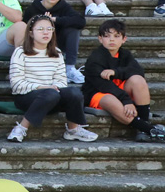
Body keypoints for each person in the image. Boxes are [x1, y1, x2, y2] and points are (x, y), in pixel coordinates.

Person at [83, 19, 165, 144]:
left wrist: (115, 72)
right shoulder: (95, 58)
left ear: (124, 39)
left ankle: (143, 128)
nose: (112, 40)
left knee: (138, 80)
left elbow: (138, 71)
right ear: (100, 39)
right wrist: (126, 101)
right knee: (109, 100)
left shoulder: (125, 54)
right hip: (98, 93)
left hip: (120, 91)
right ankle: (150, 130)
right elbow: (103, 85)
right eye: (107, 36)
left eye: (116, 36)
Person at [7, 15, 98, 143]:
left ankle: (73, 130)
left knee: (74, 92)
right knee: (50, 94)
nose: (46, 32)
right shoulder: (20, 52)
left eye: (49, 29)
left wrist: (53, 88)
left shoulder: (57, 53)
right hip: (27, 96)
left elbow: (61, 81)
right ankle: (21, 128)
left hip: (53, 95)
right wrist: (42, 87)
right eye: (40, 29)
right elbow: (16, 84)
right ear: (31, 33)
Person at [23, 0, 87, 84]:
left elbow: (80, 21)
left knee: (73, 29)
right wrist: (43, 22)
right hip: (38, 44)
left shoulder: (64, 6)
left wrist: (55, 20)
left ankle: (70, 68)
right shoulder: (33, 8)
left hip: (58, 42)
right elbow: (25, 26)